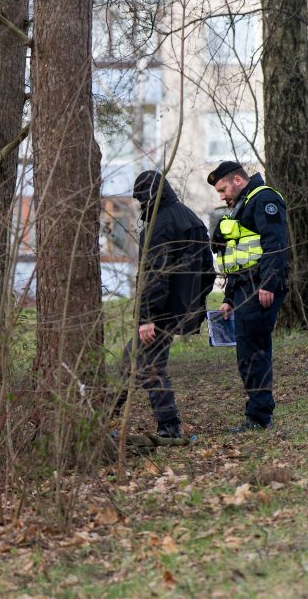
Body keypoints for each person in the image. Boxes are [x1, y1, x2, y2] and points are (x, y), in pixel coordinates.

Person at [112, 170, 215, 439]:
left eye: (141, 199)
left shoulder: (160, 225)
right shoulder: (191, 218)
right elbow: (208, 270)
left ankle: (169, 427)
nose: (139, 205)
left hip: (158, 312)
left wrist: (147, 317)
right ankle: (107, 416)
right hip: (178, 309)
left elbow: (154, 277)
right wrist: (191, 304)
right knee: (130, 360)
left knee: (149, 365)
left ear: (150, 197)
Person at [207, 161, 289, 432]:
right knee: (248, 352)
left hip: (259, 289)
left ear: (238, 180)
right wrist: (230, 298)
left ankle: (259, 417)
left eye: (223, 189)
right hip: (245, 289)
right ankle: (258, 414)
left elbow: (275, 245)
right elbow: (240, 258)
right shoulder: (244, 206)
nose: (221, 196)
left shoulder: (264, 199)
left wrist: (267, 284)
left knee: (253, 352)